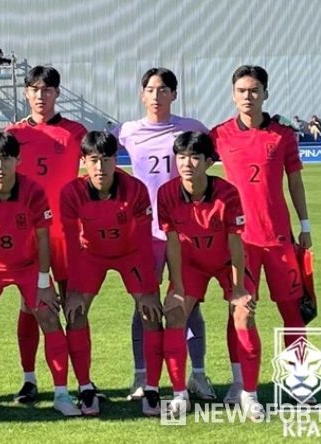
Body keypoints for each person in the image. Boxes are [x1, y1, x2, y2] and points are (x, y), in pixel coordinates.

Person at [0, 131, 80, 420]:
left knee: (49, 317)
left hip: (28, 265)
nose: (0, 165)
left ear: (18, 160)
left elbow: (43, 238)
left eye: (6, 158)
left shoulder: (33, 191)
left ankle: (62, 394)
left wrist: (44, 283)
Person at [111, 68, 214, 402]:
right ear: (142, 94)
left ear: (174, 94)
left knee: (189, 304)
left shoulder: (191, 128)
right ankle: (141, 376)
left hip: (185, 234)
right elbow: (93, 150)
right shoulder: (127, 131)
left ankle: (198, 375)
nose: (157, 96)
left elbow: (215, 153)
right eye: (151, 89)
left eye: (164, 89)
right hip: (146, 234)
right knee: (145, 305)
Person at [211, 65, 311, 404]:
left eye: (254, 90)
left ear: (265, 93)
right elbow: (191, 163)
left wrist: (305, 226)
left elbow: (295, 181)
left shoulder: (282, 135)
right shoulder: (220, 135)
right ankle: (239, 383)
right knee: (239, 311)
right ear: (232, 95)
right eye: (241, 91)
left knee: (293, 313)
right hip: (240, 242)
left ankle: (299, 384)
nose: (248, 96)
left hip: (280, 240)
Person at [157, 132, 263, 421]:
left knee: (243, 314)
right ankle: (179, 395)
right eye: (181, 157)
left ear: (208, 161)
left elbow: (235, 242)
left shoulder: (227, 193)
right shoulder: (166, 193)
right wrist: (178, 288)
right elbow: (173, 242)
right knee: (175, 314)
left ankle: (248, 393)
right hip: (191, 264)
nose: (186, 163)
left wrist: (238, 288)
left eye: (194, 157)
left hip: (227, 263)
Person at [61, 131, 160, 417]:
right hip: (91, 255)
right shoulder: (71, 192)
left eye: (106, 159)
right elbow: (71, 244)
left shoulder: (136, 189)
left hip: (131, 253)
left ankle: (152, 388)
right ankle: (85, 387)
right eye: (94, 160)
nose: (100, 167)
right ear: (83, 161)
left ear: (116, 160)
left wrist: (148, 290)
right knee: (75, 313)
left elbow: (144, 242)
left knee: (151, 313)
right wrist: (73, 289)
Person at [6, 65, 89, 403]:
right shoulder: (13, 134)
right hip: (30, 236)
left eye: (48, 90)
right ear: (26, 93)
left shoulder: (75, 132)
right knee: (30, 307)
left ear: (57, 93)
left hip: (67, 235)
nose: (41, 96)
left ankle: (83, 382)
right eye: (35, 89)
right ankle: (29, 380)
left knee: (74, 306)